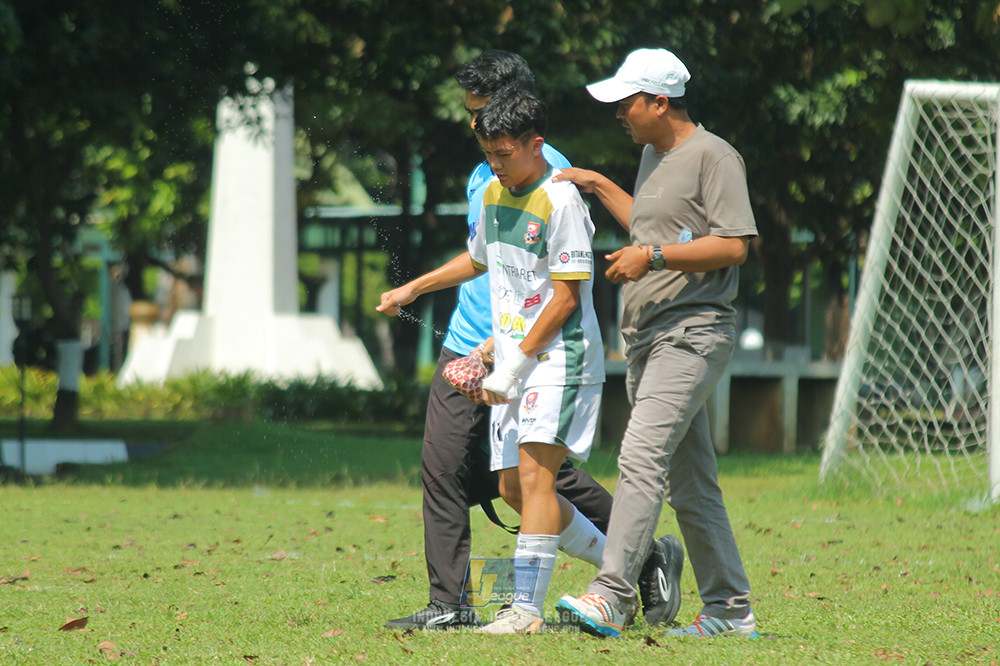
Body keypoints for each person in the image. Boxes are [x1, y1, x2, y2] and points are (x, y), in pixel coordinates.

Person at [381, 50, 680, 632]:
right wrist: (413, 289)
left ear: (523, 130)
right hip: (484, 347)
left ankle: (525, 608)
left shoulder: (551, 183)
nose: (479, 137)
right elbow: (479, 259)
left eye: (483, 120)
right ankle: (460, 601)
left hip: (540, 355)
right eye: (475, 127)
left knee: (542, 478)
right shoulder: (490, 176)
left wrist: (509, 357)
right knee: (502, 481)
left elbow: (566, 294)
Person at [555, 48, 759, 639]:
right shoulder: (651, 155)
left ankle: (612, 594)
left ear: (659, 102)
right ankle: (729, 611)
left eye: (627, 102)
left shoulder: (714, 157)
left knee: (640, 458)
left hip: (692, 332)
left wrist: (656, 257)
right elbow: (648, 227)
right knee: (690, 483)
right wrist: (597, 184)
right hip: (648, 336)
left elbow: (734, 244)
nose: (619, 112)